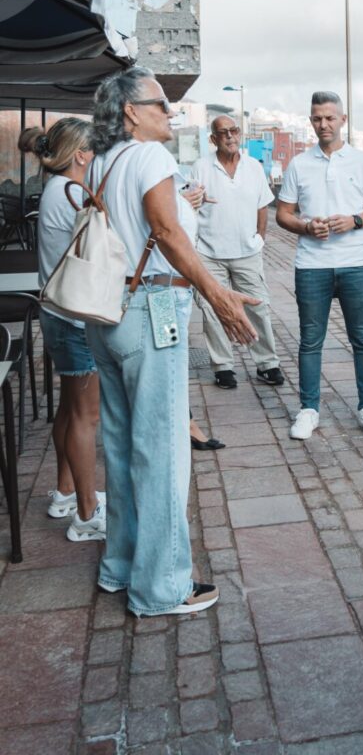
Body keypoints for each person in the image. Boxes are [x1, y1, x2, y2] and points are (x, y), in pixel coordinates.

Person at [86, 66, 258, 616]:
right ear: (132, 111)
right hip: (150, 306)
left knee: (119, 442)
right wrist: (218, 295)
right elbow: (165, 231)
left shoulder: (105, 162)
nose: (171, 111)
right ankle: (161, 587)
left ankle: (121, 564)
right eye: (161, 104)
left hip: (108, 310)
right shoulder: (151, 157)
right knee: (160, 450)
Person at [276, 91, 363, 441]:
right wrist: (307, 226)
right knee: (310, 341)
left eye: (329, 117)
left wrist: (354, 221)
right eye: (316, 118)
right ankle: (309, 410)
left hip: (356, 262)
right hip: (312, 264)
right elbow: (283, 214)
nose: (323, 124)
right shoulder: (299, 164)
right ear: (311, 121)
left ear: (343, 120)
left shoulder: (361, 161)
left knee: (362, 340)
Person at [23, 120, 105, 541]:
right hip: (74, 316)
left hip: (58, 311)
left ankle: (65, 492)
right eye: (96, 151)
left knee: (71, 409)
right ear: (81, 155)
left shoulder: (57, 188)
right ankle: (87, 514)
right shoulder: (71, 193)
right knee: (86, 416)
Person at [191, 114, 284, 389]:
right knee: (212, 309)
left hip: (247, 251)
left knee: (259, 307)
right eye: (223, 132)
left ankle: (267, 363)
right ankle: (223, 366)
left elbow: (263, 207)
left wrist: (259, 239)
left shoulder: (254, 167)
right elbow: (191, 205)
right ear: (213, 139)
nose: (230, 136)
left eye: (234, 130)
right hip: (208, 252)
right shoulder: (201, 167)